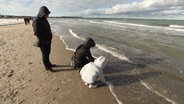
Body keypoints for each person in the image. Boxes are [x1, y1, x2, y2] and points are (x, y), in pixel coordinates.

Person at [32, 6, 56, 71]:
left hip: (48, 41)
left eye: (48, 14)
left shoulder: (44, 19)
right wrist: (45, 41)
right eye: (47, 14)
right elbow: (37, 33)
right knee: (45, 55)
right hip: (43, 42)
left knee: (48, 53)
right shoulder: (36, 21)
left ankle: (49, 64)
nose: (48, 15)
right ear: (42, 13)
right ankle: (47, 67)